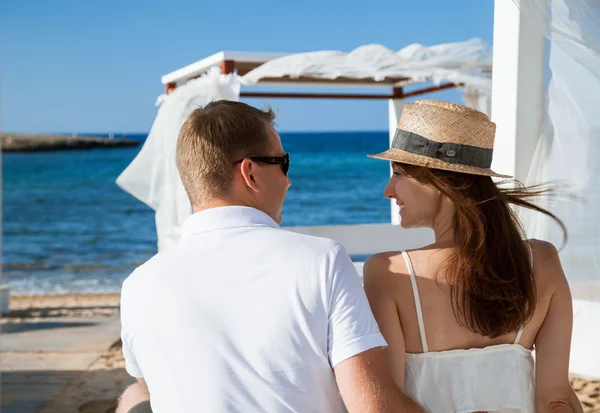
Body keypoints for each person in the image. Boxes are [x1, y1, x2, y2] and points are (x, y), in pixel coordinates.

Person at [116, 100, 424, 413]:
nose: (288, 180)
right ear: (250, 173)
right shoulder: (322, 262)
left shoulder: (137, 285)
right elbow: (373, 407)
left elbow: (155, 391)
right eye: (282, 163)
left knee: (132, 399)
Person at [364, 99, 583, 413]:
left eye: (398, 173)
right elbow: (555, 399)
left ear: (436, 180)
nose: (388, 189)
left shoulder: (389, 272)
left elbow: (388, 403)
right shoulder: (542, 260)